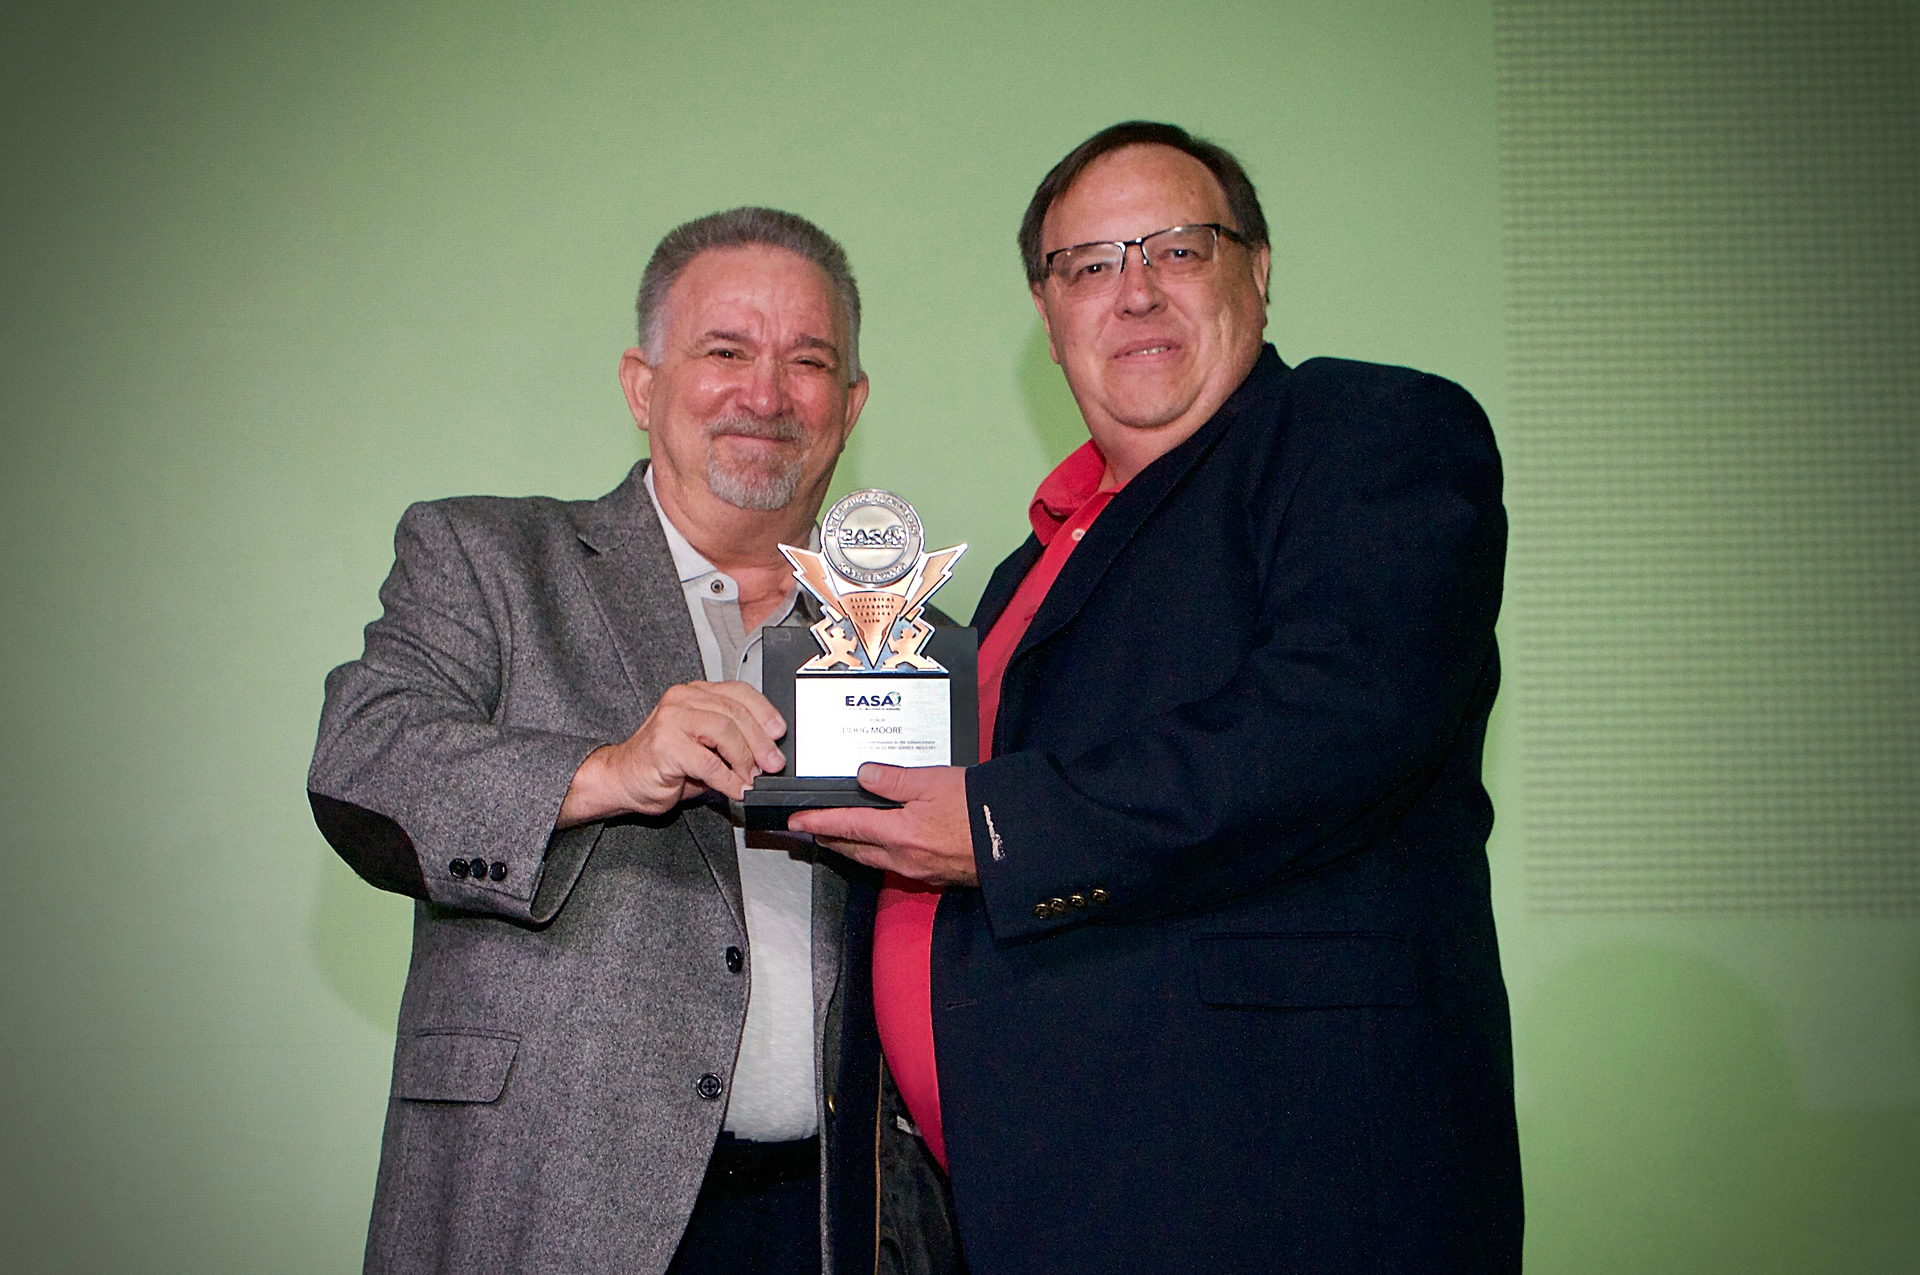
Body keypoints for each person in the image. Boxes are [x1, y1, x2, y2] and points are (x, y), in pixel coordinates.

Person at [791, 122, 1523, 1271]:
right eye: (1089, 265)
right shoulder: (1029, 569)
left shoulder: (1364, 434)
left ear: (1258, 270)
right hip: (1039, 1201)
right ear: (1049, 310)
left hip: (1274, 1195)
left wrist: (993, 829)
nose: (1132, 294)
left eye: (1177, 251)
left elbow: (1331, 721)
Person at [308, 207, 956, 1275]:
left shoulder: (916, 638)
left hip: (834, 1223)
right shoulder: (487, 555)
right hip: (544, 1203)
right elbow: (363, 762)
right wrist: (604, 772)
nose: (765, 392)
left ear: (850, 407)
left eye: (807, 360)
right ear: (641, 385)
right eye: (725, 351)